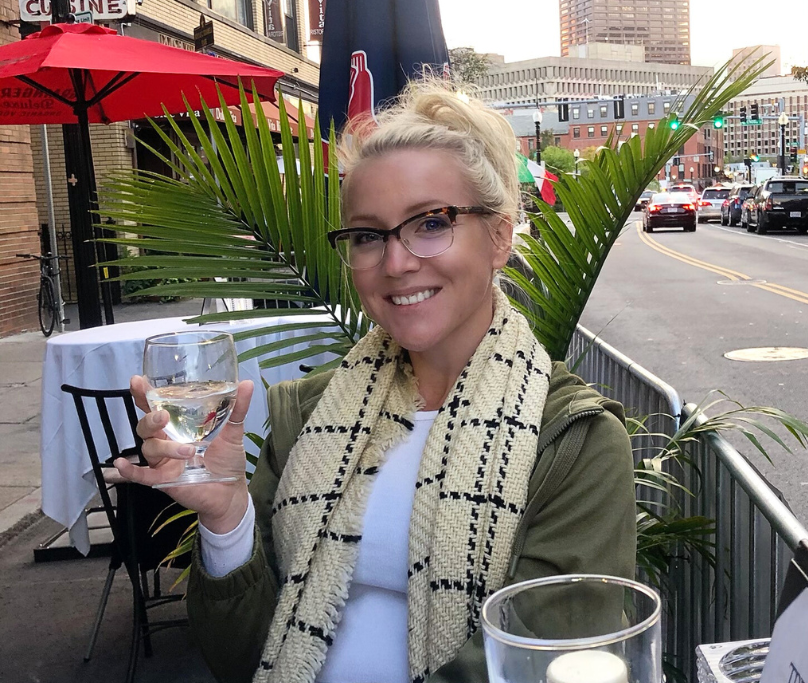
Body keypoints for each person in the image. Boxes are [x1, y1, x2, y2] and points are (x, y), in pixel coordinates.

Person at [114, 79, 637, 683]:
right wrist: (227, 518)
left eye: (431, 222)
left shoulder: (572, 441)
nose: (395, 262)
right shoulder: (308, 415)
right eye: (368, 236)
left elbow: (537, 661)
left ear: (498, 236)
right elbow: (240, 657)